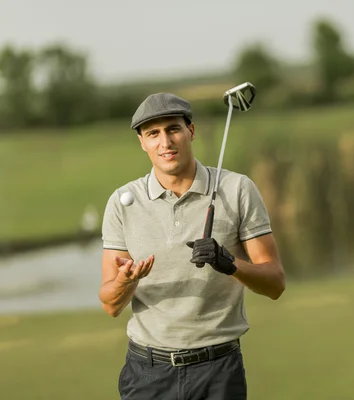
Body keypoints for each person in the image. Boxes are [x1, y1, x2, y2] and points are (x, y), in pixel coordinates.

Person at [98, 92, 286, 400]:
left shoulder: (237, 189)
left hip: (218, 371)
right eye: (153, 134)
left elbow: (275, 283)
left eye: (173, 129)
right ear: (142, 143)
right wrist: (125, 282)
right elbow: (110, 305)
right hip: (148, 373)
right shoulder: (123, 203)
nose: (165, 142)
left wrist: (229, 263)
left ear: (191, 131)